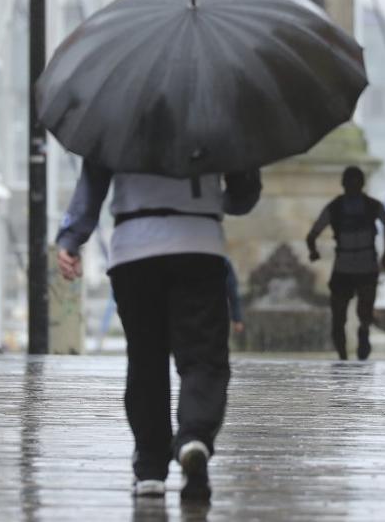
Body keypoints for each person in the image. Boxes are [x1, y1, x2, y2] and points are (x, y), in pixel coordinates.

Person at [56, 165, 261, 504]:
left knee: (146, 360)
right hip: (199, 244)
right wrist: (219, 197)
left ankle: (150, 468)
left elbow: (93, 180)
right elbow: (243, 196)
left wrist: (72, 237)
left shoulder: (113, 114)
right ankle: (194, 436)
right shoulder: (215, 114)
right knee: (203, 358)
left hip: (134, 249)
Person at [305, 166, 385, 360]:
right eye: (350, 182)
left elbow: (312, 234)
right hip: (355, 265)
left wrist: (313, 251)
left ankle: (356, 341)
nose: (352, 186)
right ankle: (347, 350)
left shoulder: (343, 206)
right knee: (341, 316)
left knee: (354, 313)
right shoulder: (362, 206)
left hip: (358, 265)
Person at [225, 257, 245, 337]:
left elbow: (233, 293)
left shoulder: (224, 262)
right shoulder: (223, 261)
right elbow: (233, 294)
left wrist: (237, 319)